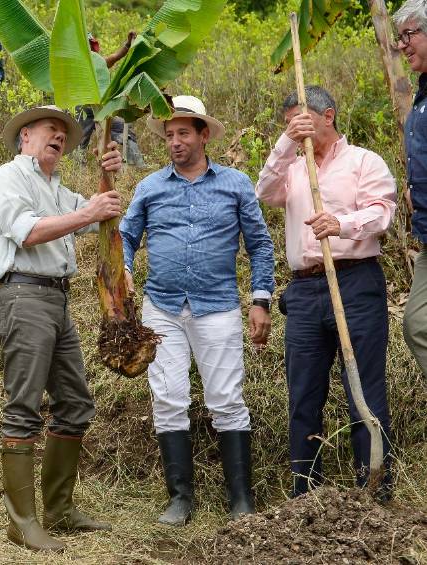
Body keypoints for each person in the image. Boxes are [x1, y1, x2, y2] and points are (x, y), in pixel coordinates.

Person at [120, 95, 275, 525]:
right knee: (168, 398)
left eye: (183, 133)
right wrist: (124, 269)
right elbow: (126, 236)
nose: (174, 142)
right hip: (161, 309)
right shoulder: (150, 187)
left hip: (218, 306)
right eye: (169, 135)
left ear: (204, 135)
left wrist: (260, 299)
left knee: (226, 398)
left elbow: (260, 244)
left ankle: (241, 498)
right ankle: (180, 498)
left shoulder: (236, 184)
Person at [0, 105, 122, 550]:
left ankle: (58, 510)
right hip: (21, 295)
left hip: (57, 299)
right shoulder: (9, 177)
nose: (60, 136)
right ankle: (21, 522)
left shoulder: (55, 187)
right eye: (51, 129)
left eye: (64, 133)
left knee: (75, 402)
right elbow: (25, 232)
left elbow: (98, 214)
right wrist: (89, 212)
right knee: (23, 406)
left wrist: (106, 175)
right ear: (26, 135)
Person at [256, 86, 396, 498]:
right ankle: (305, 493)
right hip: (303, 290)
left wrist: (342, 224)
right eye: (287, 125)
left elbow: (383, 212)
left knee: (364, 390)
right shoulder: (295, 169)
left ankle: (374, 489)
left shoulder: (363, 161)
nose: (294, 129)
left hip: (355, 281)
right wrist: (285, 143)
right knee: (303, 394)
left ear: (328, 116)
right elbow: (264, 192)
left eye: (300, 120)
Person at [394, 1, 427, 378]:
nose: (403, 44)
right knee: (417, 324)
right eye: (399, 37)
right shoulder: (421, 94)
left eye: (410, 34)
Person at [77, 31, 145, 167]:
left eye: (90, 46)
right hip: (83, 109)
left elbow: (116, 56)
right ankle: (78, 171)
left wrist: (128, 44)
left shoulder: (99, 63)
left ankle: (138, 166)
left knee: (125, 131)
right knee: (80, 142)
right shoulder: (75, 65)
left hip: (103, 109)